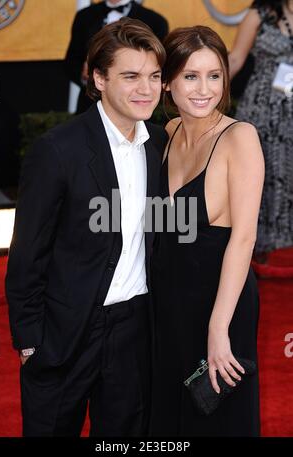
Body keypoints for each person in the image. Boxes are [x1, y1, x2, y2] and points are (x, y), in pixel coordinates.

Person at [5, 18, 167, 437]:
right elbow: (27, 254)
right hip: (64, 333)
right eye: (130, 76)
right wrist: (30, 340)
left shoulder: (161, 146)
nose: (146, 89)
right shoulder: (58, 150)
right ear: (98, 78)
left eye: (154, 76)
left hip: (134, 331)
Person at [149, 26, 264, 436]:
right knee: (168, 419)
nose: (204, 89)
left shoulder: (239, 138)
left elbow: (244, 239)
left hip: (220, 302)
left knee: (217, 418)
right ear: (167, 82)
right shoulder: (167, 134)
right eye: (190, 76)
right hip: (167, 304)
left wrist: (219, 329)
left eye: (214, 75)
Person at [229, 0, 293, 263]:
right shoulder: (261, 13)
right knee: (258, 174)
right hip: (261, 109)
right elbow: (235, 58)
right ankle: (252, 244)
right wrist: (207, 92)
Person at [65, 0, 169, 113]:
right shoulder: (84, 16)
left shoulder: (155, 21)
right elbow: (71, 60)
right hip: (89, 105)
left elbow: (161, 66)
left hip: (138, 107)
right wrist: (84, 74)